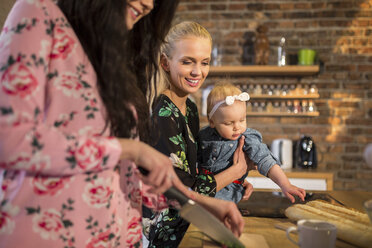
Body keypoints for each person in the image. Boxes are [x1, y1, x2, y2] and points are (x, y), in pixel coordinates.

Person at [0, 1, 244, 247]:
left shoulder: (111, 51)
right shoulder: (37, 14)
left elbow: (120, 175)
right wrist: (130, 149)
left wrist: (200, 203)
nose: (149, 4)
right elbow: (9, 140)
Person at [143, 21, 252, 248]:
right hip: (164, 235)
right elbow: (181, 189)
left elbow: (196, 171)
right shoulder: (163, 113)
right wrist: (235, 171)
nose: (197, 72)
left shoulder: (190, 107)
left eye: (205, 63)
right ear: (165, 62)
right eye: (187, 62)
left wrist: (235, 182)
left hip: (190, 223)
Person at [198, 82, 306, 203]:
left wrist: (286, 185)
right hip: (201, 195)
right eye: (229, 123)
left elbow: (266, 160)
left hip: (228, 198)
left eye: (242, 120)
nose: (237, 127)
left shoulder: (247, 138)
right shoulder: (203, 135)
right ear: (212, 122)